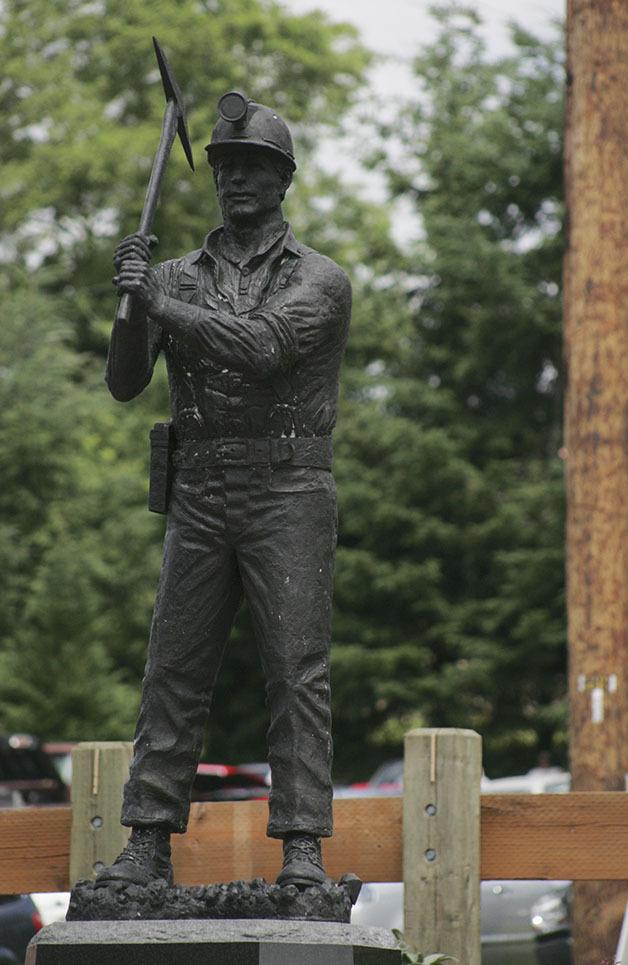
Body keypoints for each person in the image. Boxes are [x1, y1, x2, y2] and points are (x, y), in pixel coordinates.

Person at [97, 94, 351, 890]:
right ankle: (145, 843)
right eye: (227, 167)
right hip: (200, 488)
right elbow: (125, 381)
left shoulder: (320, 279)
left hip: (289, 486)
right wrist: (133, 305)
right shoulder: (173, 275)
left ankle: (303, 849)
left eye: (255, 168)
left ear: (283, 180)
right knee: (172, 666)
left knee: (295, 668)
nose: (238, 179)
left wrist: (163, 301)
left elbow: (264, 346)